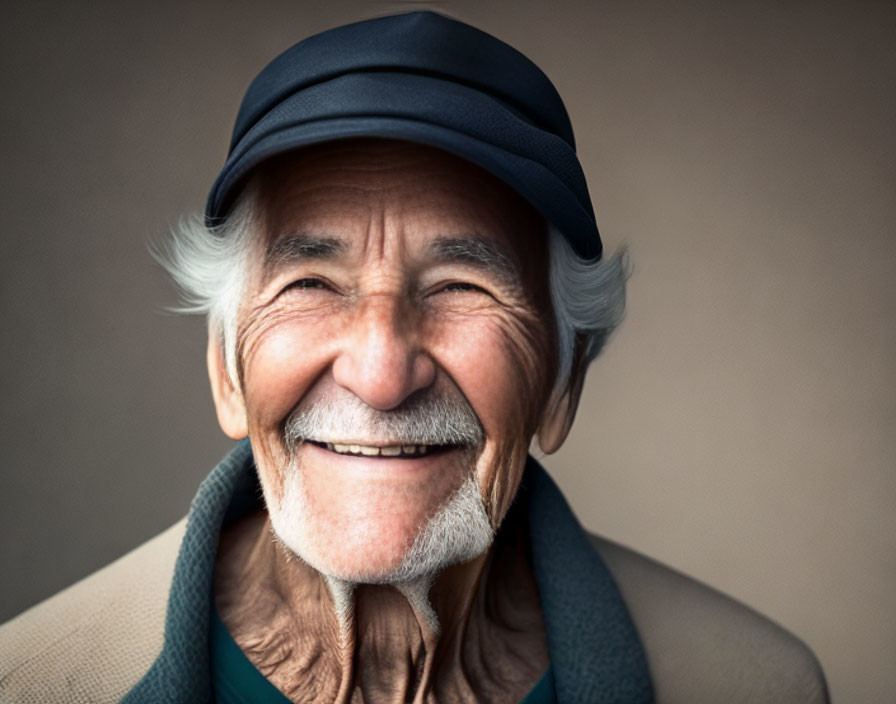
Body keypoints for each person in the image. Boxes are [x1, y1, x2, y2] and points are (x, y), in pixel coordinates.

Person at [0, 11, 828, 703]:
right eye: (312, 283)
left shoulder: (754, 685)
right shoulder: (32, 681)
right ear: (225, 368)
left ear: (563, 383)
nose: (381, 372)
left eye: (462, 285)